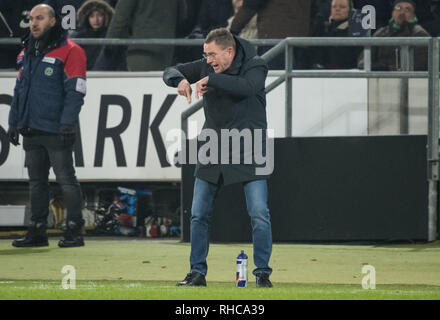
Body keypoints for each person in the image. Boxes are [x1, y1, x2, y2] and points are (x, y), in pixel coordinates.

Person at [163, 28, 273, 288]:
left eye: (212, 55)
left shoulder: (256, 65)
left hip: (250, 146)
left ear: (229, 51)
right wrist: (178, 80)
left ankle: (262, 274)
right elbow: (169, 70)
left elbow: (247, 87)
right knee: (198, 214)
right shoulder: (207, 65)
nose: (208, 60)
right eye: (205, 55)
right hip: (213, 146)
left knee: (259, 213)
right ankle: (197, 273)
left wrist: (210, 80)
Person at [7, 4, 87, 248]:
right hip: (31, 127)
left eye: (39, 18)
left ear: (53, 21)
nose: (33, 23)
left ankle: (75, 230)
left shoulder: (71, 51)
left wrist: (67, 123)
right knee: (36, 182)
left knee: (66, 180)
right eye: (31, 18)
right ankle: (38, 230)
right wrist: (13, 122)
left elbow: (76, 91)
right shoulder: (27, 51)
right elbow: (20, 90)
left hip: (57, 128)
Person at [230, 0, 312, 69]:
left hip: (274, 40)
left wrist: (233, 29)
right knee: (295, 82)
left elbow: (251, 5)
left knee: (272, 79)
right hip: (300, 40)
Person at [102, 0, 177, 71]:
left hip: (140, 52)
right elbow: (183, 16)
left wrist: (109, 45)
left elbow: (120, 18)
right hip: (168, 51)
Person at [358, 0, 430, 71]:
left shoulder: (420, 34)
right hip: (379, 79)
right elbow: (363, 62)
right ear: (392, 13)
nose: (402, 12)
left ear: (413, 15)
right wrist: (376, 67)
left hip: (412, 81)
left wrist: (387, 68)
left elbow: (418, 65)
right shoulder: (381, 33)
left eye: (407, 9)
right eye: (398, 8)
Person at [308, 0, 363, 69]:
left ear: (350, 10)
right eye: (334, 7)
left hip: (348, 73)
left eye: (342, 7)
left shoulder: (356, 31)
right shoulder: (324, 29)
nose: (337, 9)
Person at [69, 0, 114, 70]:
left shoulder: (110, 36)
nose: (96, 20)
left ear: (106, 17)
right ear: (87, 18)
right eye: (92, 16)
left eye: (100, 15)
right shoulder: (78, 37)